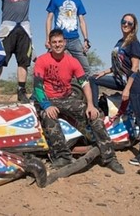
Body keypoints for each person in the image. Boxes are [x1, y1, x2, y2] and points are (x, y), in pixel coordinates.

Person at [33, 29, 125, 173]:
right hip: (47, 98)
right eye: (54, 42)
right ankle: (63, 157)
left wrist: (90, 105)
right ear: (49, 44)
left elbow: (84, 83)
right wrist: (46, 105)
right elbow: (37, 87)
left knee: (95, 115)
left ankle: (109, 157)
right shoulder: (42, 60)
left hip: (67, 98)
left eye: (60, 42)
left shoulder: (73, 61)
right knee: (48, 117)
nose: (57, 45)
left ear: (65, 43)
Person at [89, 13, 140, 165]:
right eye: (124, 21)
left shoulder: (134, 43)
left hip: (134, 85)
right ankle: (95, 114)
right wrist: (104, 72)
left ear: (134, 26)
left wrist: (127, 89)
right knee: (93, 79)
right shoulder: (120, 41)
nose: (126, 24)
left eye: (130, 23)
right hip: (121, 80)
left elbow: (134, 68)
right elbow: (119, 65)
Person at [45, 0, 91, 75]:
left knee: (86, 68)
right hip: (59, 38)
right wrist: (48, 38)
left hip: (75, 39)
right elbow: (49, 19)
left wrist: (86, 39)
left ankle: (82, 89)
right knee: (51, 66)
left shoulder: (78, 1)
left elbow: (82, 21)